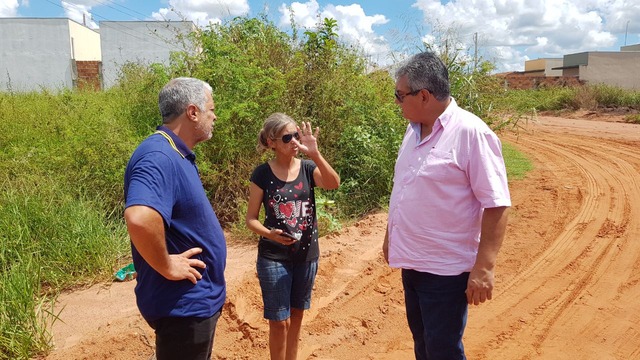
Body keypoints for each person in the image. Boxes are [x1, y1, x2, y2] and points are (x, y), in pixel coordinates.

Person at [382, 52, 511, 360]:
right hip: (412, 264)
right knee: (423, 344)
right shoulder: (412, 132)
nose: (397, 102)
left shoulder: (471, 133)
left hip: (445, 271)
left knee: (443, 350)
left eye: (399, 96)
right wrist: (390, 236)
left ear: (423, 95)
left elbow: (497, 204)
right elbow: (403, 189)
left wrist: (484, 268)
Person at [123, 77, 226, 360]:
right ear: (192, 112)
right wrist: (167, 265)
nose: (215, 116)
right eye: (211, 109)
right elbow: (140, 217)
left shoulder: (174, 153)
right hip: (182, 308)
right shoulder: (159, 155)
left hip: (192, 305)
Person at [246, 113, 340, 360]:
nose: (294, 142)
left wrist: (315, 154)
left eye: (296, 136)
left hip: (306, 255)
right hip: (273, 257)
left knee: (297, 317)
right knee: (279, 322)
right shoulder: (262, 174)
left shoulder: (308, 169)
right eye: (287, 137)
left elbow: (333, 184)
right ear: (271, 142)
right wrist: (270, 234)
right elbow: (251, 219)